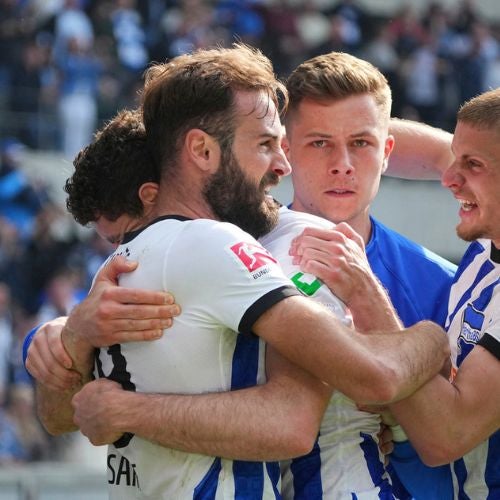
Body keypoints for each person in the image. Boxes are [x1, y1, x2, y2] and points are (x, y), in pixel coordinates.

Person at [27, 44, 449, 499]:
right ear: (202, 151)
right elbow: (329, 402)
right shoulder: (212, 245)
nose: (281, 164)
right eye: (267, 144)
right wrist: (432, 338)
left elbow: (62, 417)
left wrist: (88, 362)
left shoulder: (123, 261)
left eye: (360, 143)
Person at [294, 89, 500, 499]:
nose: (448, 178)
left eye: (470, 165)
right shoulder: (485, 247)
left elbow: (447, 434)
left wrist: (366, 292)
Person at [281, 51, 456, 499]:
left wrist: (396, 419)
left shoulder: (443, 284)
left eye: (361, 143)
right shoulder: (235, 257)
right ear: (284, 150)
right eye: (319, 143)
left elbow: (451, 442)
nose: (342, 163)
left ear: (387, 152)